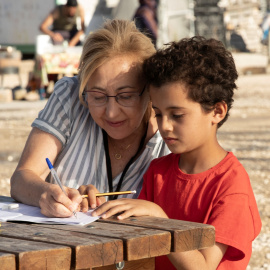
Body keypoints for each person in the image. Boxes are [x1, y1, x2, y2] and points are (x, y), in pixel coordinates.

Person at [91, 36, 262, 269]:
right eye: (158, 114)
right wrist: (91, 207)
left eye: (177, 115)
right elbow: (137, 250)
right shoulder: (158, 171)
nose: (165, 126)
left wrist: (161, 220)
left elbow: (201, 267)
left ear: (217, 111)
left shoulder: (231, 186)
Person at [10, 19, 169, 218]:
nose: (111, 113)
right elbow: (21, 179)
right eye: (98, 96)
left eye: (126, 96)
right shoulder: (70, 96)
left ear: (150, 90)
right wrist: (46, 194)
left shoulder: (169, 128)